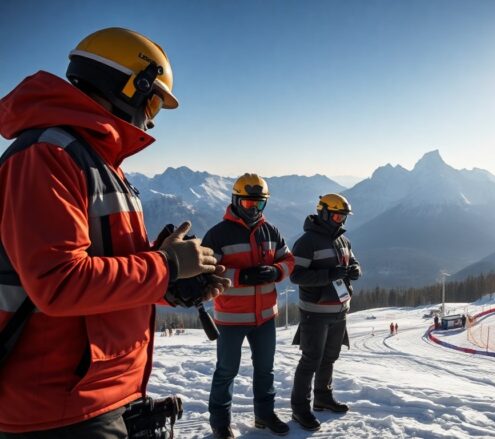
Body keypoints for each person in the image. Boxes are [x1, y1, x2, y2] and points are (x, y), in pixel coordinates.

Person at [0, 27, 229, 436]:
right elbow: (59, 283)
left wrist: (168, 286)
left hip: (97, 395)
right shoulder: (48, 156)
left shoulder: (96, 161)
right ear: (129, 86)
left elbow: (105, 269)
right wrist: (165, 266)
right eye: (155, 100)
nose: (152, 116)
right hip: (58, 407)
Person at [204, 174, 295, 438]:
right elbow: (204, 273)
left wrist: (276, 271)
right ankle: (220, 422)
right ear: (235, 201)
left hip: (265, 318)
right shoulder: (218, 234)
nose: (254, 209)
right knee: (226, 371)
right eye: (248, 204)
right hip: (231, 318)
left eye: (259, 204)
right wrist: (240, 277)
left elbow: (289, 260)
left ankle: (264, 415)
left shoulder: (271, 231)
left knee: (265, 370)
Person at [289, 194, 361, 431]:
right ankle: (300, 408)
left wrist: (354, 270)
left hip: (339, 310)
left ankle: (322, 397)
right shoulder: (307, 241)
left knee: (330, 357)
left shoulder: (343, 240)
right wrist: (330, 275)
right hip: (315, 312)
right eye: (337, 216)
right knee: (310, 359)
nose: (340, 221)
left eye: (343, 217)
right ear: (324, 213)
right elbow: (296, 275)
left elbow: (353, 262)